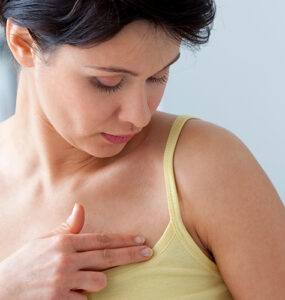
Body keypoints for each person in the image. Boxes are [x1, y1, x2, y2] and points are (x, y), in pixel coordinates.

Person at [0, 0, 284, 299]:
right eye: (108, 82)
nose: (139, 116)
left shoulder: (205, 167)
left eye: (157, 77)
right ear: (22, 43)